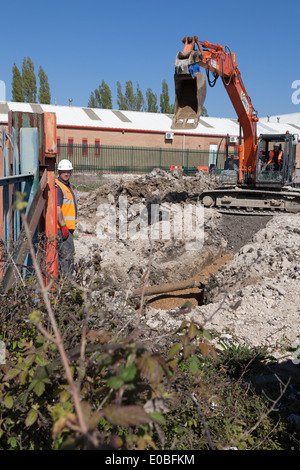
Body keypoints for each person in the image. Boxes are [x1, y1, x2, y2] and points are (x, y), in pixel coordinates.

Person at [56, 159, 77, 277]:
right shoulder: (59, 187)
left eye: (68, 171)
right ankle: (66, 285)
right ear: (58, 172)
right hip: (63, 229)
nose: (66, 174)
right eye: (63, 171)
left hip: (67, 228)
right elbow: (57, 208)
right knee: (66, 257)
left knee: (66, 257)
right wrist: (63, 225)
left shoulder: (67, 186)